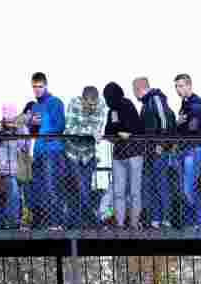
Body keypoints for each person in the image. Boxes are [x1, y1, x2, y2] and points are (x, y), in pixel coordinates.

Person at [22, 72, 67, 231]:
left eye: (40, 86)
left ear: (46, 86)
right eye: (34, 87)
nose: (37, 90)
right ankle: (44, 221)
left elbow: (60, 125)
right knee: (39, 189)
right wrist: (31, 124)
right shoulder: (34, 106)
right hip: (39, 152)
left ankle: (57, 222)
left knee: (52, 187)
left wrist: (46, 132)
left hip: (53, 151)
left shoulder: (55, 102)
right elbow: (33, 132)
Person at [134, 77, 177, 229]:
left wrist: (161, 144)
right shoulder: (147, 102)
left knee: (160, 184)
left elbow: (164, 120)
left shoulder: (155, 98)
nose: (134, 94)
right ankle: (156, 218)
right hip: (150, 151)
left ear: (139, 88)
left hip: (158, 151)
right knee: (151, 185)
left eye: (134, 90)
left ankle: (165, 218)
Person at [102, 81, 144, 229]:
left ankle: (134, 223)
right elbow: (109, 132)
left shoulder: (127, 104)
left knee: (134, 192)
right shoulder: (111, 111)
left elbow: (135, 128)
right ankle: (119, 224)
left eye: (109, 97)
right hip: (118, 155)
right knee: (118, 192)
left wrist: (121, 132)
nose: (108, 100)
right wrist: (119, 133)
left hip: (134, 153)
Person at [64, 86, 106, 228]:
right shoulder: (74, 103)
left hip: (88, 153)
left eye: (94, 104)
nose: (92, 107)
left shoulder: (100, 104)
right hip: (73, 153)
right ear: (83, 100)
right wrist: (90, 131)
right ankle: (88, 220)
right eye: (89, 104)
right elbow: (69, 129)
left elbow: (98, 129)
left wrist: (87, 131)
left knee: (85, 188)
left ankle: (80, 221)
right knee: (78, 187)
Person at [174, 73, 201, 229]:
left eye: (181, 86)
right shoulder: (185, 103)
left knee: (189, 188)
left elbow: (191, 128)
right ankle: (193, 222)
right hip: (185, 149)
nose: (178, 89)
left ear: (189, 85)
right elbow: (184, 126)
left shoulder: (196, 104)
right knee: (184, 188)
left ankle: (200, 222)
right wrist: (180, 123)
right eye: (176, 86)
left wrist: (180, 124)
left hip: (193, 149)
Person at [0, 104, 28, 230]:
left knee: (14, 196)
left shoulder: (20, 129)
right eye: (7, 118)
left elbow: (25, 147)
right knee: (2, 198)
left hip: (16, 170)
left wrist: (20, 130)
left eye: (11, 118)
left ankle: (11, 223)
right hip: (0, 170)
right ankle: (7, 224)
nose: (9, 121)